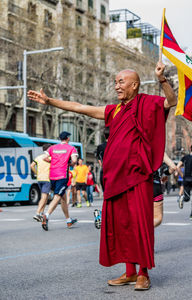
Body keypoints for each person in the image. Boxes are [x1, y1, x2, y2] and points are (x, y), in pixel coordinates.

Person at [28, 60, 177, 290]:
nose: (117, 86)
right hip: (115, 179)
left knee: (139, 225)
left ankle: (143, 273)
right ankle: (129, 271)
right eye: (115, 82)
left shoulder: (147, 104)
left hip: (137, 177)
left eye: (121, 82)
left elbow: (171, 101)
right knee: (122, 225)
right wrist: (49, 101)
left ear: (135, 85)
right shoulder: (114, 110)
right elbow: (79, 107)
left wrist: (161, 78)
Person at [41, 131, 78, 231]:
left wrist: (52, 161)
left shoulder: (53, 147)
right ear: (68, 138)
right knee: (57, 196)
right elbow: (74, 161)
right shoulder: (71, 148)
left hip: (52, 175)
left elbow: (44, 157)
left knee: (63, 198)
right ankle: (46, 215)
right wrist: (69, 164)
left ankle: (68, 220)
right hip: (62, 175)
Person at [153, 153, 177, 227]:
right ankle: (143, 230)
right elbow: (173, 167)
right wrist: (165, 174)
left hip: (137, 186)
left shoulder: (135, 146)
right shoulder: (159, 150)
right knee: (157, 218)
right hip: (155, 186)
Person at [30, 144, 52, 222]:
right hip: (47, 179)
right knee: (44, 197)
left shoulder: (38, 157)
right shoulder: (50, 158)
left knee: (44, 197)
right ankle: (37, 213)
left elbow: (31, 166)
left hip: (39, 179)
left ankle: (41, 213)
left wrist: (36, 173)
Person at [177, 146, 192, 219]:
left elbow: (178, 167)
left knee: (187, 198)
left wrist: (182, 175)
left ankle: (182, 198)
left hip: (186, 179)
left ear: (190, 149)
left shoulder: (185, 157)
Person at [96, 127, 110, 192]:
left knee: (105, 190)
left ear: (104, 136)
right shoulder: (116, 145)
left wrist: (101, 164)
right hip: (114, 170)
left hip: (104, 170)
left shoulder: (100, 146)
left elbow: (98, 157)